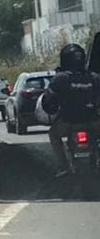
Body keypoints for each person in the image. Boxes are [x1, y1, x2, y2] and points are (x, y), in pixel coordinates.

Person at [41, 43, 100, 176]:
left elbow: (48, 98)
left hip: (67, 123)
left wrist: (50, 107)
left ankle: (62, 166)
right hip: (93, 122)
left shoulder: (60, 78)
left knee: (53, 135)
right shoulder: (94, 77)